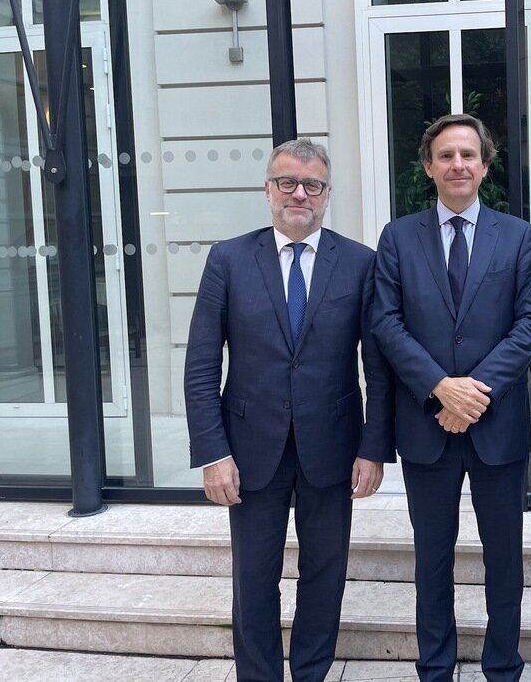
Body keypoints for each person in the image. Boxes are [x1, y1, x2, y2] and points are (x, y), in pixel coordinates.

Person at [184, 138, 394, 682]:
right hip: (250, 452)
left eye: (313, 185)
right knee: (253, 578)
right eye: (287, 182)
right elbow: (202, 365)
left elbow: (378, 365)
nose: (299, 193)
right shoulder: (228, 259)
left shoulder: (360, 263)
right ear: (268, 190)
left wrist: (374, 448)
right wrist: (213, 452)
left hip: (333, 449)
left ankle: (311, 674)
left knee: (325, 575)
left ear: (327, 194)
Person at [371, 113, 531, 682]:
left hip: (498, 428)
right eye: (445, 156)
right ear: (428, 167)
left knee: (504, 560)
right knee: (433, 560)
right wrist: (439, 387)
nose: (458, 165)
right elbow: (387, 323)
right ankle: (435, 668)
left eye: (468, 155)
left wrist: (473, 392)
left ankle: (503, 667)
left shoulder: (516, 235)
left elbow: (530, 324)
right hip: (426, 425)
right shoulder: (397, 237)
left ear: (485, 165)